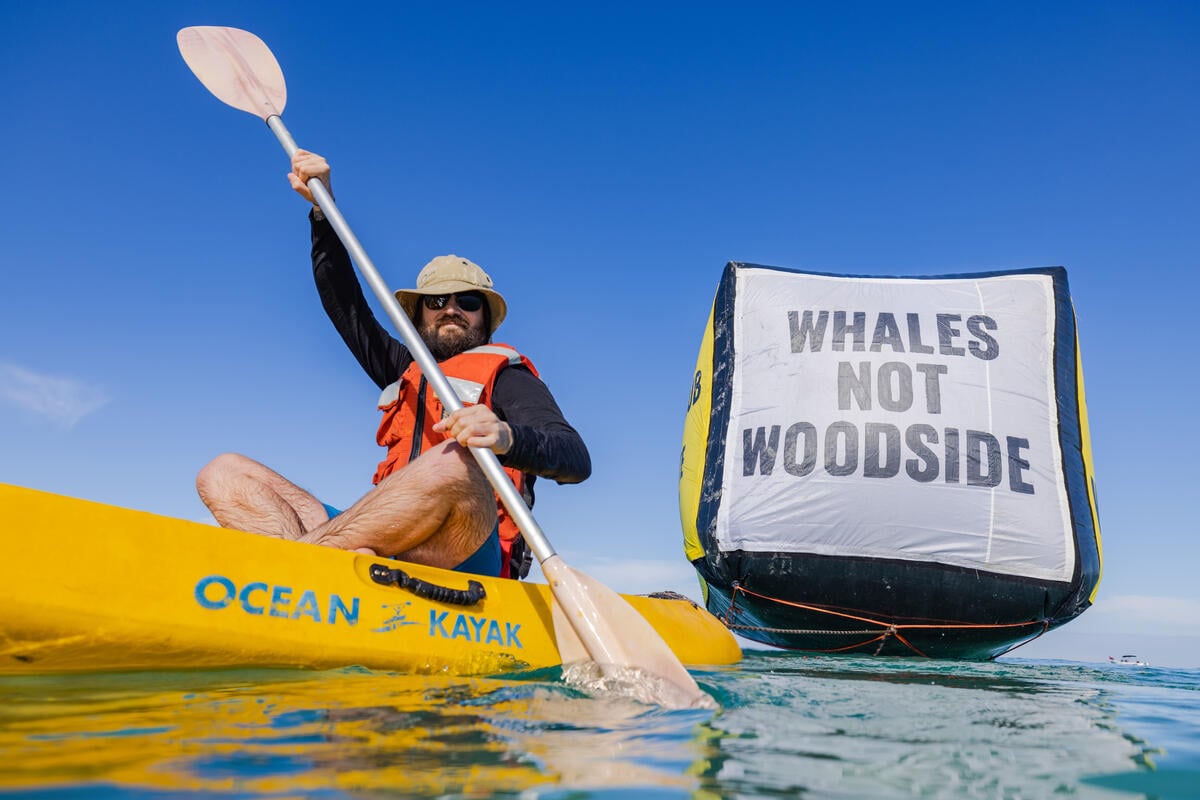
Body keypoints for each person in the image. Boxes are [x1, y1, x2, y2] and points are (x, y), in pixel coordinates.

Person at [196, 149, 591, 579]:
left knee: (456, 461)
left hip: (469, 547)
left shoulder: (509, 378)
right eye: (437, 302)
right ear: (420, 315)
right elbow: (344, 305)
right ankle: (319, 574)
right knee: (224, 473)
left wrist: (503, 435)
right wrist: (323, 212)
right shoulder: (402, 368)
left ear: (486, 317)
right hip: (393, 540)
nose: (451, 310)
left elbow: (575, 459)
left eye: (468, 302)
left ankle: (294, 570)